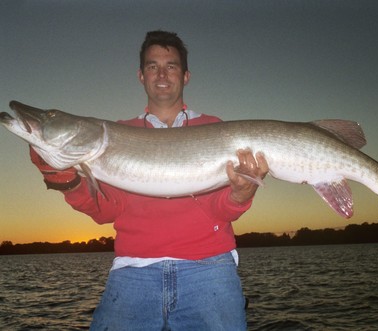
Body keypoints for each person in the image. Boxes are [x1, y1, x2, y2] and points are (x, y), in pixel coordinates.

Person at [29, 30, 269, 331]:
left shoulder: (214, 128)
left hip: (209, 268)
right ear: (141, 76)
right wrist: (64, 179)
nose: (162, 73)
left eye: (171, 65)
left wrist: (241, 194)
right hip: (133, 272)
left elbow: (221, 210)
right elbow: (107, 210)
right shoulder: (117, 132)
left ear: (186, 76)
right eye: (153, 66)